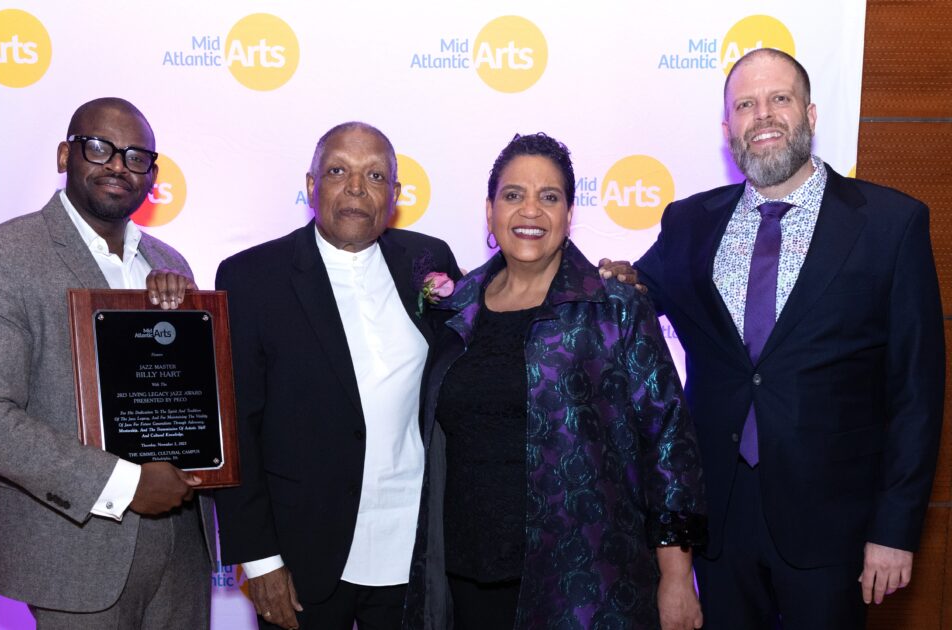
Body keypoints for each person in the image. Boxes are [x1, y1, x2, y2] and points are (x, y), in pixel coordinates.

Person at [631, 49, 945, 629]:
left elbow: (917, 397)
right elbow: (627, 295)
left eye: (780, 99)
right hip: (720, 519)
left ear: (811, 114)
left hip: (835, 529)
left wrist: (894, 531)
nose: (763, 115)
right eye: (745, 105)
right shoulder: (688, 223)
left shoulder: (889, 224)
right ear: (728, 131)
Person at [403, 133, 707, 630]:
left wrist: (676, 576)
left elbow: (669, 445)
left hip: (583, 585)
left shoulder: (615, 308)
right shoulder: (456, 309)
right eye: (513, 194)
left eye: (550, 197)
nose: (531, 211)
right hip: (468, 580)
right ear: (489, 210)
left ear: (568, 216)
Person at [0, 97, 215, 628]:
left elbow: (197, 398)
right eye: (100, 148)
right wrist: (124, 483)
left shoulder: (169, 263)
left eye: (136, 156)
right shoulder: (2, 253)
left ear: (152, 175)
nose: (118, 164)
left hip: (182, 546)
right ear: (66, 155)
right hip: (72, 547)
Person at [213, 122, 462, 630]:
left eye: (374, 175)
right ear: (311, 186)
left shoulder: (428, 260)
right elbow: (236, 427)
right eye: (337, 171)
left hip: (414, 544)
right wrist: (259, 560)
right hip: (304, 554)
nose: (355, 187)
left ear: (394, 195)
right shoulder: (251, 277)